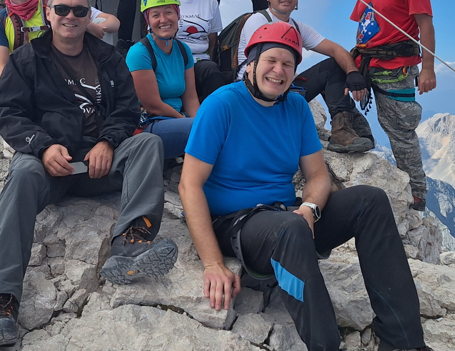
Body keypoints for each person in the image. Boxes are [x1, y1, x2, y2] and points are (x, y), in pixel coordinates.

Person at [179, 23, 430, 351]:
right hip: (237, 223)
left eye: (288, 64)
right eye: (270, 60)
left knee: (370, 200)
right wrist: (213, 264)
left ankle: (403, 341)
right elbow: (189, 185)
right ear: (251, 64)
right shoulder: (222, 105)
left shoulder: (295, 107)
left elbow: (317, 176)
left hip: (286, 216)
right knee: (292, 228)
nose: (278, 71)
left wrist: (311, 208)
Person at [0, 0, 177, 348]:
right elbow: (8, 112)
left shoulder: (108, 57)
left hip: (99, 162)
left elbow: (126, 107)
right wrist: (41, 148)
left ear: (89, 16)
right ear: (49, 13)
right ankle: (0, 302)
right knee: (21, 173)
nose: (71, 17)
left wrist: (108, 141)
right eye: (63, 9)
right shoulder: (27, 59)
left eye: (80, 11)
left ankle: (129, 247)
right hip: (51, 166)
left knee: (148, 143)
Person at [235, 0, 372, 158]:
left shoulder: (298, 28)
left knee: (334, 65)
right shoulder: (258, 21)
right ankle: (349, 123)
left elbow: (336, 50)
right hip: (255, 96)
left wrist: (352, 73)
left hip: (282, 90)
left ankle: (342, 130)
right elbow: (257, 70)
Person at [347, 0, 436, 212]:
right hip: (367, 62)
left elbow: (425, 25)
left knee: (399, 130)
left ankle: (417, 194)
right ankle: (353, 140)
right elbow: (365, 25)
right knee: (335, 88)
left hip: (396, 67)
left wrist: (428, 69)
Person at [126, 0, 198, 160]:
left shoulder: (183, 50)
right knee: (204, 131)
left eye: (168, 12)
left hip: (179, 120)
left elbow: (190, 97)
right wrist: (195, 125)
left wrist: (201, 121)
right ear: (147, 20)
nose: (163, 20)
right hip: (149, 125)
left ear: (178, 14)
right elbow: (153, 106)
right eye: (155, 15)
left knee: (217, 125)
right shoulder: (139, 52)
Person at [170, 0, 226, 101]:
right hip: (174, 61)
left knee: (212, 72)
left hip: (202, 63)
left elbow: (213, 40)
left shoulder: (210, 1)